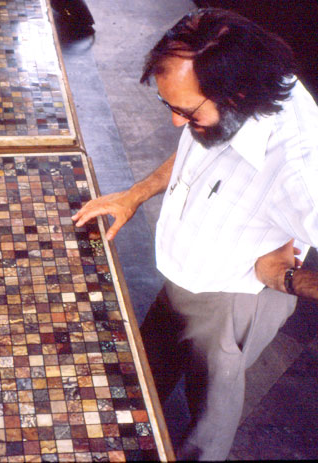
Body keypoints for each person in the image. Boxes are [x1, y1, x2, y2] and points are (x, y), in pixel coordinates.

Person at [72, 8, 318, 460]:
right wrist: (136, 192)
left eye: (187, 112)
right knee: (147, 371)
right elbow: (197, 151)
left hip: (232, 299)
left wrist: (286, 278)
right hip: (183, 274)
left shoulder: (302, 165)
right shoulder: (232, 94)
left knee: (210, 411)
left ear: (239, 93)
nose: (176, 124)